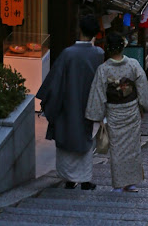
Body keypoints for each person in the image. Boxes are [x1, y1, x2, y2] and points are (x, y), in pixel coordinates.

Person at [36, 15, 104, 190]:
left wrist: (50, 102)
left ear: (80, 30)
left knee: (66, 139)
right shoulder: (98, 54)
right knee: (86, 139)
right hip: (89, 104)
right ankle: (86, 179)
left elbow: (55, 81)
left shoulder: (68, 53)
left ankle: (69, 179)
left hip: (67, 103)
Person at [85, 32, 148, 193]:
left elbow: (99, 93)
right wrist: (144, 105)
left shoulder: (104, 69)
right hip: (131, 111)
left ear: (107, 49)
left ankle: (118, 184)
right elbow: (142, 87)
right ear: (123, 47)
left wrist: (98, 114)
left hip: (114, 112)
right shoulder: (133, 65)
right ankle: (130, 183)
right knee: (133, 148)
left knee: (117, 150)